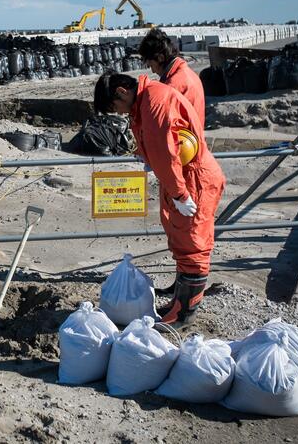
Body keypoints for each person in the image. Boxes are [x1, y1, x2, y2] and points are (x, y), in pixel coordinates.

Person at [94, 72, 225, 329]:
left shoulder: (155, 102)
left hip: (192, 181)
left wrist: (180, 194)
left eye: (116, 107)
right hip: (181, 178)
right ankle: (180, 303)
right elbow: (159, 148)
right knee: (181, 242)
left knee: (193, 246)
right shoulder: (147, 101)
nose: (120, 113)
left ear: (122, 91)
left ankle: (185, 314)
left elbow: (165, 152)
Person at [138, 28, 206, 128]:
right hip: (192, 138)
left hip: (182, 140)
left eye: (151, 65)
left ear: (161, 58)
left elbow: (163, 124)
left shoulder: (172, 85)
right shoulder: (187, 73)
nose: (153, 71)